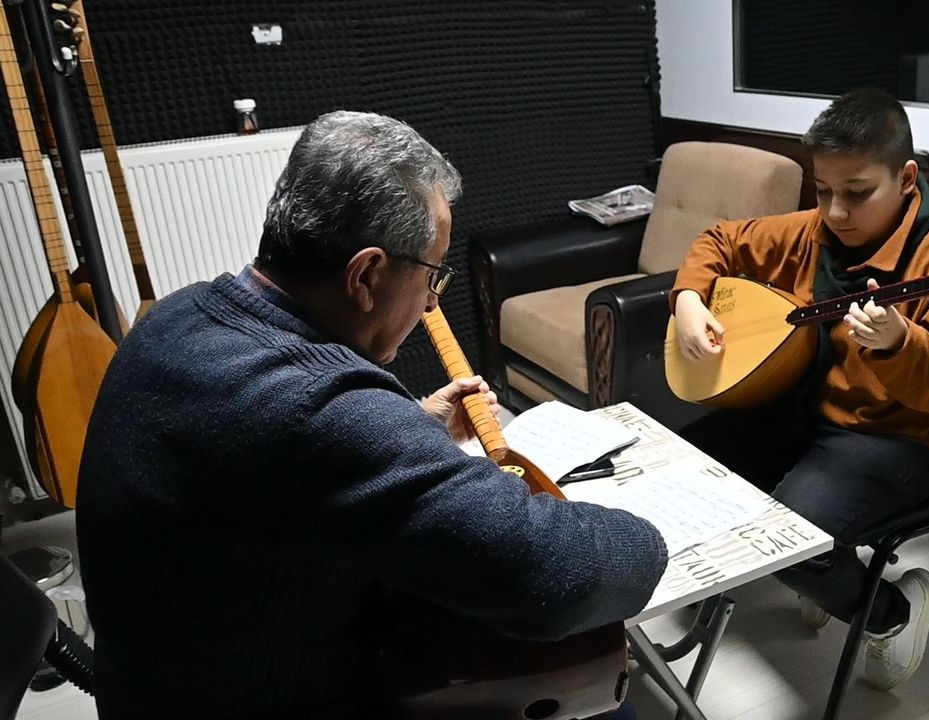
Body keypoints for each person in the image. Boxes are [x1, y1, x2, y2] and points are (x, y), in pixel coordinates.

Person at [76, 111, 667, 719]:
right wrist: (653, 540)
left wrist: (416, 426)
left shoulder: (177, 316)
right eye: (433, 275)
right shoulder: (321, 408)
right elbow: (558, 580)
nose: (432, 303)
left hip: (161, 679)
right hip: (264, 695)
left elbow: (277, 475)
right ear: (365, 275)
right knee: (604, 697)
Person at [671, 88, 929, 690]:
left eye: (856, 192)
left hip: (905, 436)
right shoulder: (813, 231)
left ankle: (893, 613)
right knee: (685, 467)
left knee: (791, 541)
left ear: (905, 178)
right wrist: (689, 299)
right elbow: (719, 240)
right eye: (822, 190)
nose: (835, 212)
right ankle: (827, 575)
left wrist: (901, 345)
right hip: (814, 410)